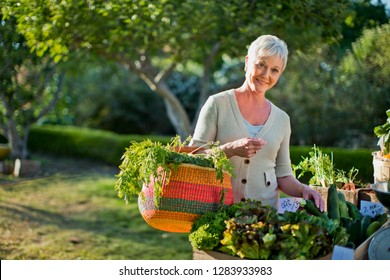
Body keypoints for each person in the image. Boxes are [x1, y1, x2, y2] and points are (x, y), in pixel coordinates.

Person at [190, 34, 325, 211]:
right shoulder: (217, 104)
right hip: (217, 214)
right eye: (261, 65)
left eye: (274, 70)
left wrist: (303, 189)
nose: (265, 75)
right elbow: (193, 159)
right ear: (247, 62)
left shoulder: (282, 120)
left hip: (265, 222)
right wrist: (229, 150)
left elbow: (283, 176)